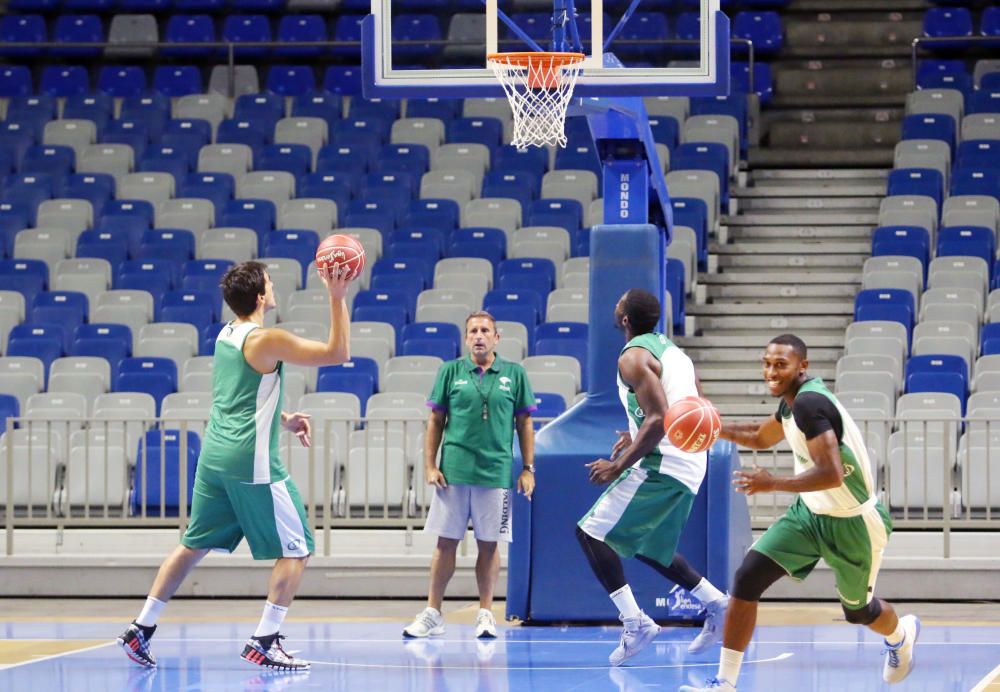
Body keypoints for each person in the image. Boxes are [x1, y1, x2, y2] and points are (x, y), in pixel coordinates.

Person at [118, 259, 355, 671]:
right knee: (297, 548)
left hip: (214, 457)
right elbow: (338, 352)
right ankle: (265, 639)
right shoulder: (265, 339)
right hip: (251, 461)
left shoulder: (226, 334)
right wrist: (337, 297)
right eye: (269, 282)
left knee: (193, 544)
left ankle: (141, 628)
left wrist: (284, 418)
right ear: (261, 296)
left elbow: (237, 395)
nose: (273, 285)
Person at [681, 334, 919, 691]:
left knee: (859, 613)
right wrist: (708, 428)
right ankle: (725, 684)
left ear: (802, 367)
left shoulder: (809, 404)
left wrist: (771, 483)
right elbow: (761, 436)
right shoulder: (791, 403)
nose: (771, 371)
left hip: (853, 522)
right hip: (808, 514)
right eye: (766, 363)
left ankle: (901, 636)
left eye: (780, 364)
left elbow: (832, 473)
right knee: (747, 578)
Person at [576, 288, 729, 666]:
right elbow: (695, 405)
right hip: (692, 462)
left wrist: (620, 464)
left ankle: (636, 622)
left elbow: (660, 418)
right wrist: (637, 430)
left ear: (625, 319)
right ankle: (719, 605)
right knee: (646, 545)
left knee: (590, 532)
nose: (615, 305)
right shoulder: (674, 352)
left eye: (618, 302)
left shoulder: (632, 357)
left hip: (664, 463)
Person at [403, 311, 536, 640]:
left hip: (496, 473)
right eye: (473, 331)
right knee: (445, 544)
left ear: (496, 337)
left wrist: (528, 468)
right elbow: (435, 421)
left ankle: (486, 614)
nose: (479, 335)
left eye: (485, 330)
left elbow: (525, 423)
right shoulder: (449, 372)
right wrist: (431, 465)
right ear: (466, 338)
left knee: (489, 546)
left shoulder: (515, 375)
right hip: (454, 473)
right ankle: (433, 613)